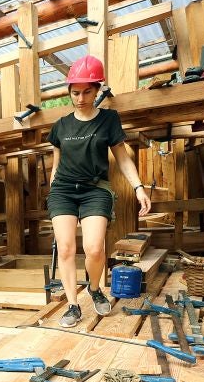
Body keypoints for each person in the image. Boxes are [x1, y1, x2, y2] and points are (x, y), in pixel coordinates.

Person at [47, 55, 152, 328]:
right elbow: (56, 165)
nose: (80, 98)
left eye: (86, 92)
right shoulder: (60, 126)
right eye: (75, 92)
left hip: (95, 189)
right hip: (63, 190)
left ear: (96, 90)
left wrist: (138, 187)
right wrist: (52, 191)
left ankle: (94, 289)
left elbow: (123, 158)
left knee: (94, 249)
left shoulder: (108, 120)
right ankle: (72, 305)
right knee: (66, 248)